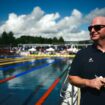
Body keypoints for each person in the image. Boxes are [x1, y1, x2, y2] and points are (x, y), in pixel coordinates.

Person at [68, 16, 105, 105]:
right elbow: (72, 78)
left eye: (97, 27)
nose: (92, 30)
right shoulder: (82, 54)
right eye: (90, 28)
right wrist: (89, 82)